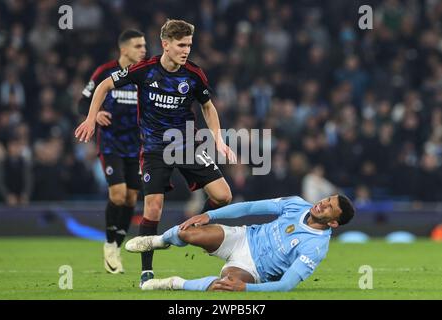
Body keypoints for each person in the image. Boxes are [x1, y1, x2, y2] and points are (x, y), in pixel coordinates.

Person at [75, 20, 236, 286]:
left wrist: (218, 139)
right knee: (153, 208)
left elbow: (208, 106)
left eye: (189, 45)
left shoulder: (194, 74)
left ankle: (195, 228)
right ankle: (146, 272)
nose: (186, 50)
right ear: (166, 44)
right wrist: (91, 118)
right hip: (154, 150)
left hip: (186, 146)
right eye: (181, 45)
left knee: (223, 195)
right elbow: (104, 85)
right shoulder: (144, 70)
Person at [125, 194, 355, 292]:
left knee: (225, 286)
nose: (322, 204)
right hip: (243, 238)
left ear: (333, 223)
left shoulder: (315, 247)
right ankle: (158, 240)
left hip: (253, 269)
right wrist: (210, 216)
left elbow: (286, 285)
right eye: (326, 199)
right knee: (189, 232)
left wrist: (246, 288)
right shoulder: (296, 204)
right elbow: (249, 208)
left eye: (329, 207)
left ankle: (171, 284)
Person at [77, 29, 146, 274]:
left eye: (144, 46)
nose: (143, 50)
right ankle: (109, 246)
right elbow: (82, 102)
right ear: (124, 49)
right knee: (118, 194)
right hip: (111, 144)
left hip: (136, 146)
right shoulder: (105, 72)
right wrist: (95, 114)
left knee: (131, 199)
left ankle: (116, 247)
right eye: (138, 46)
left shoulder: (144, 74)